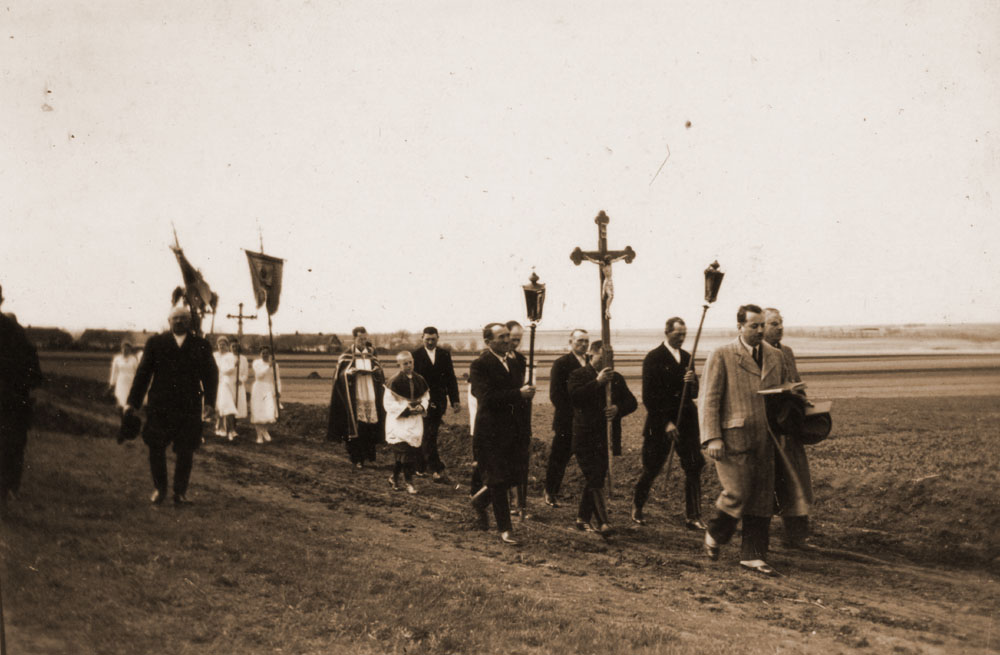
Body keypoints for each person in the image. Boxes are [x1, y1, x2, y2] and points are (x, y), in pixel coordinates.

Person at [700, 304, 787, 576]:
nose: (760, 330)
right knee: (737, 492)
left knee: (762, 498)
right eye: (753, 326)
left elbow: (782, 393)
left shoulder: (775, 356)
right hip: (732, 439)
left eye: (762, 325)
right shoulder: (722, 354)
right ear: (739, 327)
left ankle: (753, 556)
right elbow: (709, 399)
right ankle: (715, 533)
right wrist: (712, 437)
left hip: (766, 438)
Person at [125, 305, 218, 506]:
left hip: (189, 406)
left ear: (189, 322)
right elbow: (143, 374)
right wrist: (132, 402)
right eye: (175, 318)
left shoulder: (200, 345)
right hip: (161, 406)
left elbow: (211, 375)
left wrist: (210, 402)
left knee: (186, 450)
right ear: (169, 321)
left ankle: (180, 493)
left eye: (183, 318)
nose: (179, 321)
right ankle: (160, 489)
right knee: (156, 446)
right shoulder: (156, 343)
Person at [631, 317, 706, 529]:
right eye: (677, 334)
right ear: (667, 332)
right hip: (660, 422)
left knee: (694, 465)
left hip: (687, 421)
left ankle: (693, 515)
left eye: (684, 334)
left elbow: (694, 393)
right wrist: (666, 423)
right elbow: (649, 396)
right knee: (652, 467)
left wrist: (692, 382)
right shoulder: (653, 358)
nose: (681, 338)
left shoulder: (687, 357)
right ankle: (637, 505)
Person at [469, 323, 535, 545]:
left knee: (512, 477)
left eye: (508, 335)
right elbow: (486, 397)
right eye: (501, 337)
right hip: (491, 432)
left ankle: (479, 501)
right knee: (498, 480)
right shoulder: (480, 365)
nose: (507, 340)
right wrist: (518, 394)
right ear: (488, 342)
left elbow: (519, 399)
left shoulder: (516, 362)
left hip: (514, 431)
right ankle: (505, 529)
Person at [568, 340, 637, 534]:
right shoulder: (578, 375)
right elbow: (575, 397)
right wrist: (597, 382)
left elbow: (632, 402)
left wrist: (617, 408)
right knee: (595, 476)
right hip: (585, 436)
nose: (608, 360)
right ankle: (603, 522)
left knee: (596, 477)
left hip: (606, 437)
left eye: (611, 357)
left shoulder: (616, 378)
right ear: (591, 354)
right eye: (604, 356)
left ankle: (583, 518)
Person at [763, 307, 814, 549]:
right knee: (766, 484)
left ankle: (797, 536)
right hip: (768, 429)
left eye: (781, 322)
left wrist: (803, 400)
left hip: (789, 428)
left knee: (797, 480)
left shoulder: (787, 352)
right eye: (774, 323)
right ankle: (757, 536)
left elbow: (796, 382)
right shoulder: (758, 353)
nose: (780, 327)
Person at [0, 284, 43, 514]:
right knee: (10, 448)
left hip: (9, 402)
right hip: (12, 401)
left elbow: (32, 371)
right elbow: (34, 375)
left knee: (9, 448)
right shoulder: (17, 333)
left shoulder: (15, 333)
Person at [543, 329, 589, 507]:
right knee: (559, 458)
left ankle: (592, 497)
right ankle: (550, 491)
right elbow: (556, 395)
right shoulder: (561, 363)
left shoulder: (591, 362)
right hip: (567, 421)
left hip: (587, 422)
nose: (583, 344)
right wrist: (575, 412)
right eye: (579, 341)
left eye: (586, 341)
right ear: (571, 342)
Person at [327, 327, 386, 468]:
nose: (363, 342)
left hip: (370, 392)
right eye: (360, 339)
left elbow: (380, 373)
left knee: (370, 424)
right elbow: (339, 376)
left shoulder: (371, 354)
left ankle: (369, 456)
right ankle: (356, 458)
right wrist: (349, 373)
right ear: (354, 338)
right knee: (356, 425)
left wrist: (377, 371)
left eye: (365, 339)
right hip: (355, 394)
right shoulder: (346, 355)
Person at [411, 326, 460, 483]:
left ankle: (419, 466)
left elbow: (451, 378)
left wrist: (455, 400)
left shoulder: (444, 354)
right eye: (427, 339)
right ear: (422, 338)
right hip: (422, 401)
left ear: (438, 338)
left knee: (430, 433)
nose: (430, 342)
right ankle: (436, 468)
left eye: (433, 339)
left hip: (439, 401)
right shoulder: (415, 355)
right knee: (428, 433)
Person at [384, 352, 430, 495]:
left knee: (407, 454)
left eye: (410, 362)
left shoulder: (420, 379)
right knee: (405, 453)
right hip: (399, 422)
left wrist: (421, 406)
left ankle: (394, 477)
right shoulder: (393, 381)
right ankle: (409, 482)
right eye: (405, 363)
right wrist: (406, 409)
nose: (408, 365)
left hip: (415, 422)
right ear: (399, 365)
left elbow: (426, 397)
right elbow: (388, 403)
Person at [506, 320, 533, 519]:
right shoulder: (496, 361)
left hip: (521, 417)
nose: (516, 343)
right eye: (513, 339)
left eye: (519, 339)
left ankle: (518, 504)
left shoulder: (521, 359)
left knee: (520, 461)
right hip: (505, 417)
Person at [250, 345, 281, 444]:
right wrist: (268, 366)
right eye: (263, 353)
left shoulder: (275, 365)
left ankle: (264, 430)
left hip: (269, 388)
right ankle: (259, 435)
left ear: (270, 354)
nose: (265, 355)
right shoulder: (256, 363)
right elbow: (259, 375)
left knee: (268, 412)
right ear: (260, 354)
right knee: (258, 411)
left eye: (267, 353)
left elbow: (277, 379)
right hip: (259, 388)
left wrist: (278, 390)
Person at [109, 341, 140, 412]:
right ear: (121, 349)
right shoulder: (117, 359)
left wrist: (137, 383)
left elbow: (137, 372)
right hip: (121, 381)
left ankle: (128, 415)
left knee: (129, 400)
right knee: (120, 399)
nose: (125, 350)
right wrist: (112, 383)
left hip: (131, 382)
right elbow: (114, 372)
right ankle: (121, 414)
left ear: (130, 350)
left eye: (127, 349)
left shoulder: (133, 359)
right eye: (124, 348)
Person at [213, 337, 231, 437]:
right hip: (215, 381)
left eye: (223, 344)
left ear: (227, 346)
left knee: (224, 404)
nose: (221, 346)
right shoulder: (214, 355)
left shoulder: (229, 356)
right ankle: (218, 424)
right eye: (220, 344)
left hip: (225, 382)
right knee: (217, 405)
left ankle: (224, 427)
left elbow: (230, 369)